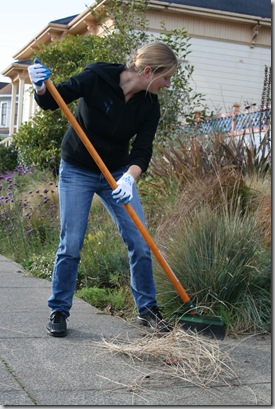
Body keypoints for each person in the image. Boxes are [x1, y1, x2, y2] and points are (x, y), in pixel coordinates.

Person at [28, 42, 178, 337]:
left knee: (140, 241)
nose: (169, 84)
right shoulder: (98, 76)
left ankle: (147, 309)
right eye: (167, 77)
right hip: (77, 170)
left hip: (117, 175)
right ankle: (59, 309)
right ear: (148, 71)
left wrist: (129, 178)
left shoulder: (150, 104)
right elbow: (52, 101)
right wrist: (41, 86)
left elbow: (143, 150)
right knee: (70, 243)